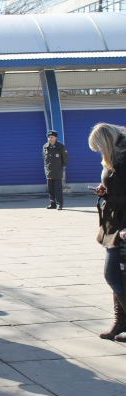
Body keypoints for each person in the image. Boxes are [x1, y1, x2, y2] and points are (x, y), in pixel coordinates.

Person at [89, 123, 126, 342]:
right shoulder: (116, 155)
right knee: (120, 275)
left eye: (99, 148)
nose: (100, 153)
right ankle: (120, 322)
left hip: (123, 223)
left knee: (112, 274)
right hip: (114, 221)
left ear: (107, 141)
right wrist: (105, 191)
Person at [43, 130, 69, 210]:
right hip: (49, 171)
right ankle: (52, 203)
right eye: (49, 137)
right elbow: (44, 158)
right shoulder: (46, 147)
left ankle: (59, 204)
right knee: (50, 189)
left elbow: (65, 159)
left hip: (57, 171)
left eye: (52, 137)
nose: (50, 139)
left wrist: (60, 167)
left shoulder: (60, 147)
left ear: (55, 137)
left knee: (58, 189)